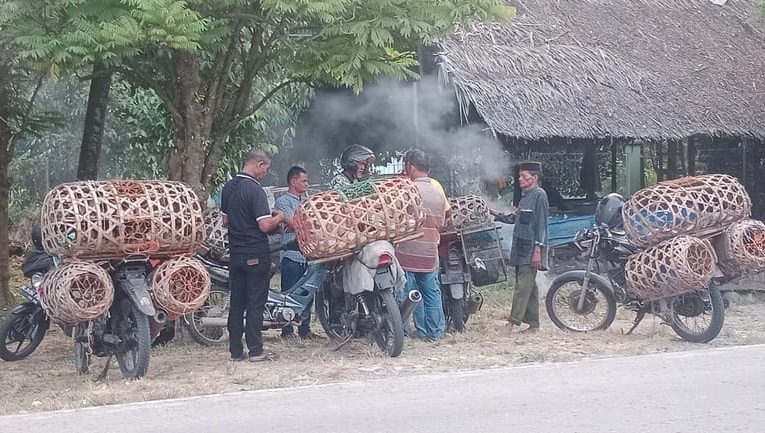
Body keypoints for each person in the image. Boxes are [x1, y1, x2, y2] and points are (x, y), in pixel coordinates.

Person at [220, 149, 286, 362]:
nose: (265, 172)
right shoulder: (255, 190)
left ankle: (236, 351)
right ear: (258, 164)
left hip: (236, 254)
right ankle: (256, 350)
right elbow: (265, 225)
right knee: (256, 303)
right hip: (256, 253)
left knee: (237, 304)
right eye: (265, 168)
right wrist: (279, 218)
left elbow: (225, 221)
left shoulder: (228, 187)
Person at [395, 149, 450, 340]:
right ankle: (435, 333)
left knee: (406, 293)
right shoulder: (438, 192)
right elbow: (442, 223)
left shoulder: (407, 191)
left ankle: (402, 331)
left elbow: (397, 221)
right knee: (432, 293)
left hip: (407, 252)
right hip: (429, 252)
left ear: (410, 167)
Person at [493, 161, 549, 333]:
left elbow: (542, 225)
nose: (520, 179)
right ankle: (534, 325)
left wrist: (538, 250)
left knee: (522, 287)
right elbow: (513, 218)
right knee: (530, 287)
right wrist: (492, 213)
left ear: (534, 178)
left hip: (532, 250)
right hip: (521, 248)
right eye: (520, 176)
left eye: (524, 176)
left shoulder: (540, 195)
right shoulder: (525, 196)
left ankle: (512, 323)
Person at [273, 166, 314, 339]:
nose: (307, 184)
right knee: (289, 292)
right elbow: (297, 225)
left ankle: (305, 329)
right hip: (291, 255)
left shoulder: (306, 201)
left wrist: (300, 225)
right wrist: (301, 225)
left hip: (307, 255)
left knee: (307, 293)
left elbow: (305, 225)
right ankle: (287, 329)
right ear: (293, 181)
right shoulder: (284, 202)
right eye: (303, 181)